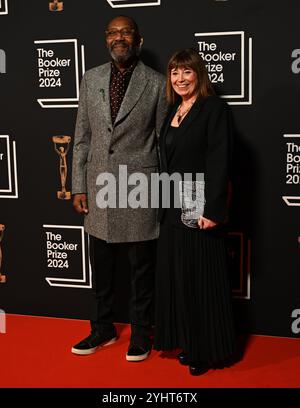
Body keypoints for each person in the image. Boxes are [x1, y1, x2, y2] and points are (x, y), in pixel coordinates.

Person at [71, 15, 167, 361]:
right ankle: (102, 329)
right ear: (106, 39)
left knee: (142, 268)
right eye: (113, 32)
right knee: (102, 265)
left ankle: (141, 333)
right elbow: (82, 138)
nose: (119, 37)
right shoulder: (90, 78)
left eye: (126, 32)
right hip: (98, 186)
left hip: (140, 185)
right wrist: (78, 184)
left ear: (138, 39)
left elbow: (161, 140)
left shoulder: (156, 83)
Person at [154, 49, 237, 375]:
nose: (180, 79)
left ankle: (207, 349)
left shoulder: (214, 108)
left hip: (199, 204)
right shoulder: (173, 110)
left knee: (202, 280)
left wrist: (213, 209)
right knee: (180, 280)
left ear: (199, 75)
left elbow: (220, 160)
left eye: (187, 72)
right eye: (175, 73)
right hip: (172, 207)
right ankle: (189, 342)